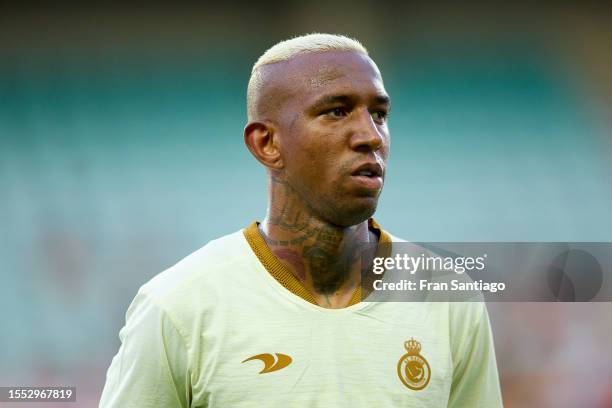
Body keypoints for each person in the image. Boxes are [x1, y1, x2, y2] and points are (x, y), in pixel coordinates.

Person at [100, 33, 503, 407]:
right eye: (337, 111)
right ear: (267, 143)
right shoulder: (178, 306)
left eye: (379, 114)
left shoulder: (447, 298)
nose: (371, 136)